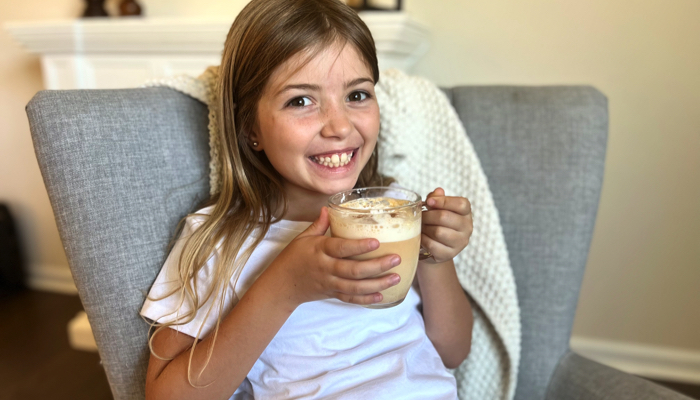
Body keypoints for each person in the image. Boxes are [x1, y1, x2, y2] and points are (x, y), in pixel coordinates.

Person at [140, 0, 474, 399]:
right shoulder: (219, 240)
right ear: (251, 128)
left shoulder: (392, 213)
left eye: (357, 94)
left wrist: (436, 258)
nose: (339, 126)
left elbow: (452, 352)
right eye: (301, 100)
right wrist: (285, 285)